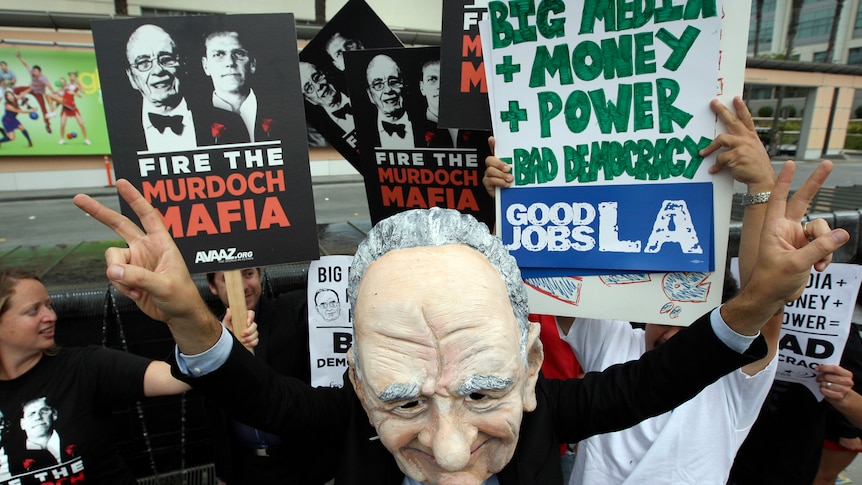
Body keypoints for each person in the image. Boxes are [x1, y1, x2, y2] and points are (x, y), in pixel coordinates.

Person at [72, 148, 847, 484]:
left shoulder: (553, 412)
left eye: (483, 392)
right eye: (405, 400)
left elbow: (666, 376)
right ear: (359, 384)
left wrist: (756, 296)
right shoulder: (350, 423)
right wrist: (188, 317)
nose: (448, 449)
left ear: (533, 372)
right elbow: (259, 395)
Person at [481, 96, 782, 484]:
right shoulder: (616, 343)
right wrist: (517, 200)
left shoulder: (732, 379)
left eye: (695, 323)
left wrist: (760, 187)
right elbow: (557, 261)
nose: (673, 331)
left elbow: (765, 300)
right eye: (667, 314)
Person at [0, 268, 257, 483]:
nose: (51, 316)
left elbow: (177, 377)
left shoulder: (85, 367)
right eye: (33, 310)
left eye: (49, 305)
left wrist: (210, 339)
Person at [204, 268, 329, 485]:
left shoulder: (291, 311)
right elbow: (214, 415)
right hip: (244, 468)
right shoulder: (207, 338)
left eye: (249, 274)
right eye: (227, 279)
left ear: (260, 275)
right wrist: (222, 473)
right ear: (213, 287)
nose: (242, 286)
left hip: (300, 463)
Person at [125, 24, 207, 151]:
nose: (157, 70)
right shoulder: (120, 132)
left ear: (183, 65)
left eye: (167, 59)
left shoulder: (224, 121)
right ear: (132, 77)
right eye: (143, 63)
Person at [201, 30, 279, 143]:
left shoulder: (281, 112)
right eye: (218, 55)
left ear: (252, 64)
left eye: (239, 54)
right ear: (206, 66)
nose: (230, 62)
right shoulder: (192, 118)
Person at [365, 53, 422, 149]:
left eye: (394, 82)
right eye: (378, 85)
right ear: (370, 95)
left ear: (405, 86)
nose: (388, 90)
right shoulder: (363, 134)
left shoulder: (428, 126)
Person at [299, 61, 354, 134]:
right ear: (309, 100)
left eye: (317, 77)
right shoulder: (319, 130)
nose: (318, 86)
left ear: (325, 74)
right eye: (309, 88)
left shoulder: (356, 87)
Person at [13, 51, 55, 133]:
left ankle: (48, 125)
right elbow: (26, 65)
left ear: (40, 72)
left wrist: (54, 93)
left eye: (36, 71)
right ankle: (24, 100)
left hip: (39, 93)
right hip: (31, 89)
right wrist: (19, 57)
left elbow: (49, 85)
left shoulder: (43, 78)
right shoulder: (31, 72)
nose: (34, 72)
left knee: (44, 108)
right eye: (34, 71)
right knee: (16, 90)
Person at [48, 72, 91, 145]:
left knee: (81, 124)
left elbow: (83, 91)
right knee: (62, 124)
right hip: (65, 106)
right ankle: (62, 139)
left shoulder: (77, 85)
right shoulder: (66, 85)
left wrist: (81, 84)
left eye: (73, 76)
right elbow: (60, 94)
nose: (72, 77)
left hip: (72, 106)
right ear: (69, 77)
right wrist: (56, 105)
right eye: (70, 76)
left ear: (75, 77)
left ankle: (86, 139)